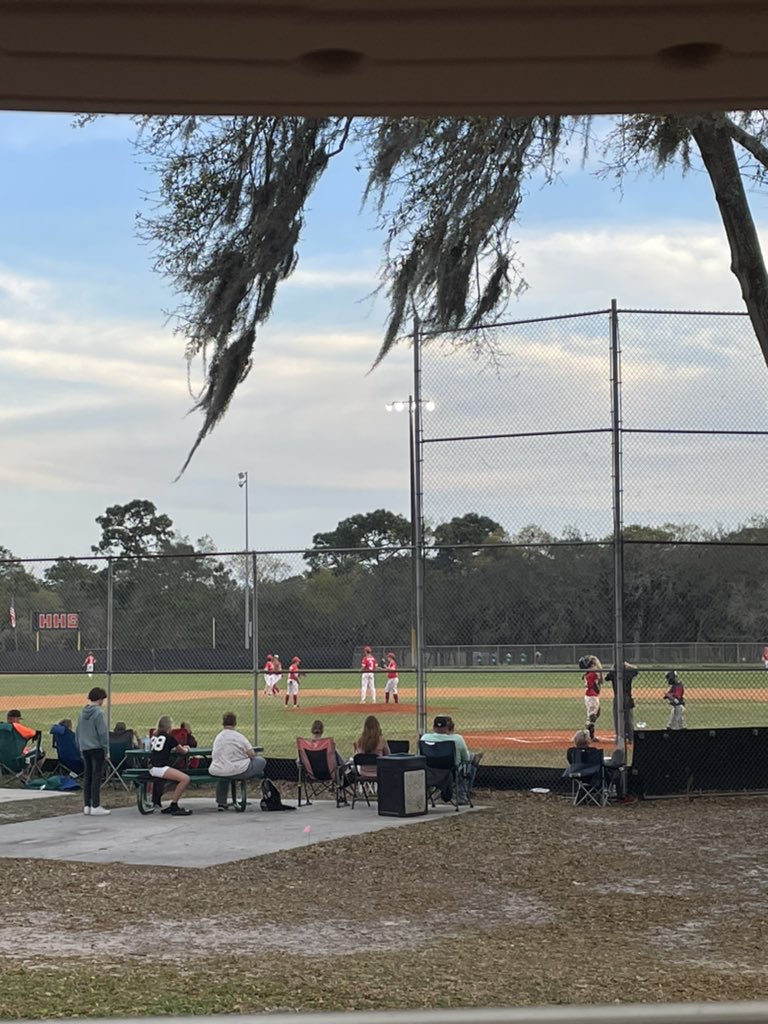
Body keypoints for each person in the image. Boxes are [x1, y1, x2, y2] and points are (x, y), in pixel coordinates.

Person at [209, 711, 266, 810]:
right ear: (235, 723)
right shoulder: (239, 736)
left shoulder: (218, 737)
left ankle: (221, 802)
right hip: (237, 769)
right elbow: (252, 753)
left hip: (218, 769)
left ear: (223, 723)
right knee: (260, 760)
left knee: (225, 774)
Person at [420, 714, 476, 803]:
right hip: (451, 772)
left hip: (430, 772)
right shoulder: (457, 739)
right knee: (473, 761)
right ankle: (462, 796)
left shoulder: (424, 738)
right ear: (450, 727)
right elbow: (466, 758)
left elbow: (419, 756)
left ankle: (430, 796)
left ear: (434, 727)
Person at [75, 686, 110, 816]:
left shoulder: (81, 713)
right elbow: (103, 733)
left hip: (85, 747)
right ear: (100, 699)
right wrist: (106, 750)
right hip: (97, 748)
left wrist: (80, 746)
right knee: (96, 776)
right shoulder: (99, 713)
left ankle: (87, 805)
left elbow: (78, 731)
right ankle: (95, 805)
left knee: (87, 776)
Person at [148, 715, 193, 815]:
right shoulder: (169, 738)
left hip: (152, 766)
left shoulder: (155, 737)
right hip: (161, 767)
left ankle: (171, 803)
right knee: (185, 779)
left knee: (178, 778)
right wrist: (187, 748)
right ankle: (174, 805)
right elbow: (182, 751)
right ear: (169, 727)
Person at [605, 661, 639, 745]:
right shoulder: (628, 672)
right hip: (627, 697)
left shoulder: (614, 673)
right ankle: (630, 738)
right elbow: (636, 670)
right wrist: (628, 665)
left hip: (618, 697)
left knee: (617, 718)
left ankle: (620, 737)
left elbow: (606, 678)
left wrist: (613, 668)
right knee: (628, 719)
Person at [352, 714, 390, 779]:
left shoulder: (360, 741)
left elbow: (358, 756)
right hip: (378, 772)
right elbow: (388, 755)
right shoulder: (381, 740)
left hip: (363, 772)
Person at [578, 655, 604, 741]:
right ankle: (589, 735)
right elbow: (597, 681)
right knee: (592, 716)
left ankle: (588, 729)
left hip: (592, 695)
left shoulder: (590, 672)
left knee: (597, 712)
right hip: (591, 696)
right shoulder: (592, 673)